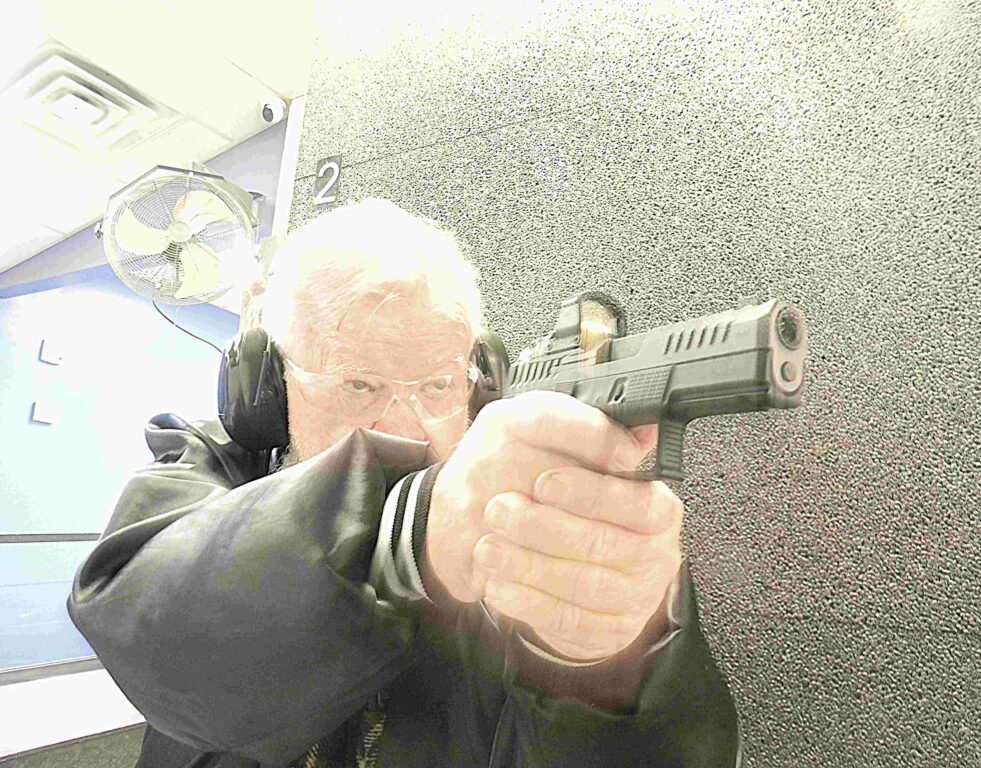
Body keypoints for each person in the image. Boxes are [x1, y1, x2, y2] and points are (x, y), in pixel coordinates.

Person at [68, 199, 740, 768]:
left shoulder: (519, 519)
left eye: (438, 386)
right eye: (358, 384)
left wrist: (614, 668)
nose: (406, 427)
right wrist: (404, 536)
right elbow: (153, 624)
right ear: (269, 387)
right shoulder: (204, 466)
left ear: (479, 386)